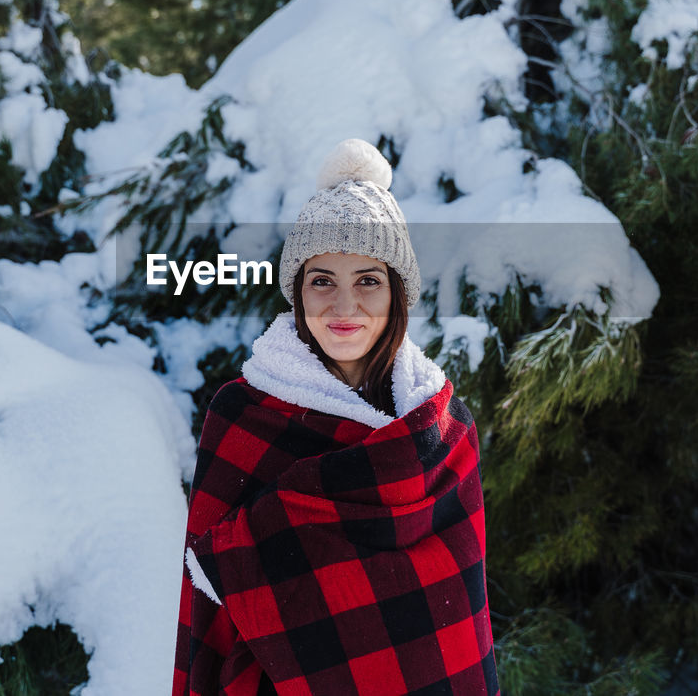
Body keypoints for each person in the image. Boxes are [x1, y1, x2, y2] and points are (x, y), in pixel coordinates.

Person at [172, 138, 499, 696]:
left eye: (368, 281)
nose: (344, 307)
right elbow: (209, 619)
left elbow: (461, 620)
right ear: (297, 293)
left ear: (397, 295)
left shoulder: (445, 431)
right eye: (322, 280)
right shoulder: (244, 416)